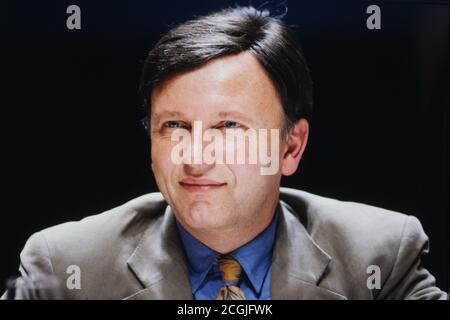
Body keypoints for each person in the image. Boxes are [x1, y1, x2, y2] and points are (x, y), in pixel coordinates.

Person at [3, 6, 447, 300]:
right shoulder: (64, 267)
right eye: (174, 126)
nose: (195, 155)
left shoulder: (381, 257)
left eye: (228, 126)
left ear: (290, 147)